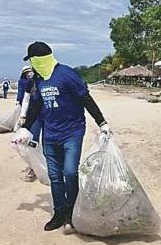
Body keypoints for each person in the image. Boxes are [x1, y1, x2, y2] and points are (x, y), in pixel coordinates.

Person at [12, 41, 111, 231]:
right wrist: (24, 128)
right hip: (50, 134)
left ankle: (72, 212)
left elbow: (85, 98)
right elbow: (36, 106)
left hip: (72, 132)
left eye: (32, 60)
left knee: (70, 172)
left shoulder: (66, 74)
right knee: (55, 176)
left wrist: (102, 122)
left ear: (40, 59)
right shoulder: (38, 80)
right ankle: (59, 213)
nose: (31, 65)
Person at [17, 65, 41, 183]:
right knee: (32, 141)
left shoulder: (50, 80)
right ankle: (33, 168)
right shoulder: (30, 82)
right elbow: (25, 99)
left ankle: (50, 168)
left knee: (49, 143)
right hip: (34, 116)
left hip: (49, 116)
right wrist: (22, 116)